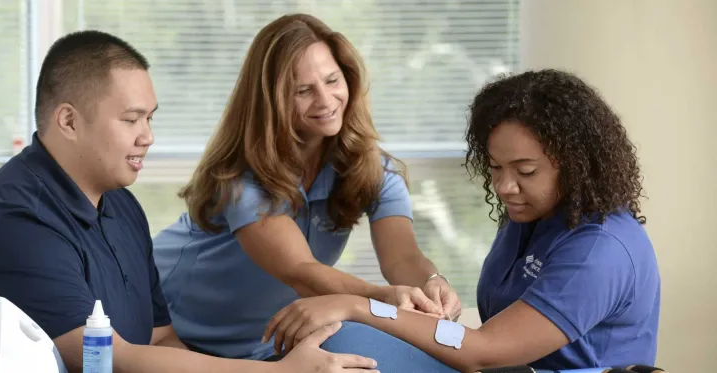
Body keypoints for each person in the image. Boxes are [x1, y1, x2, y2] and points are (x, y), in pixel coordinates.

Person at [0, 30, 380, 373]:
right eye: (131, 120)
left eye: (150, 118)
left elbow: (161, 339)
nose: (148, 137)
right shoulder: (17, 221)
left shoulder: (122, 207)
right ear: (68, 120)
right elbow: (106, 359)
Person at [262, 69, 662, 372]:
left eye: (525, 171)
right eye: (495, 167)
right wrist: (430, 295)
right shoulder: (533, 215)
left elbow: (484, 349)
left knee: (344, 340)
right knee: (334, 344)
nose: (505, 187)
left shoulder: (598, 251)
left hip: (503, 363)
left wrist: (357, 305)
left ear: (577, 166)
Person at [151, 13, 462, 361]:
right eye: (303, 91)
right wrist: (383, 298)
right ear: (272, 101)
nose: (326, 100)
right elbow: (300, 273)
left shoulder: (373, 169)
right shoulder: (240, 179)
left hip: (260, 344)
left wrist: (431, 285)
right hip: (168, 327)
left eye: (332, 80)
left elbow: (403, 257)